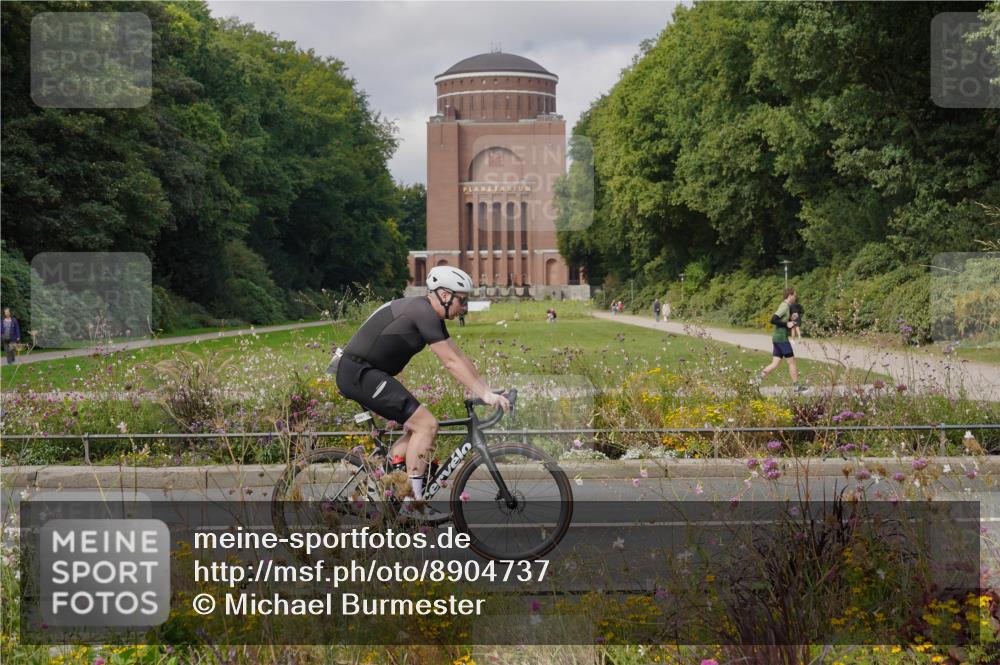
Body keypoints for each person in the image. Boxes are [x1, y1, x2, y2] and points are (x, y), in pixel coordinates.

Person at [329, 266, 510, 501]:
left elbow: (459, 356)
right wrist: (485, 395)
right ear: (445, 295)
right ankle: (413, 504)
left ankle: (383, 483)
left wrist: (486, 389)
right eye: (462, 301)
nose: (463, 308)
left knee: (420, 429)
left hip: (368, 373)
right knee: (427, 425)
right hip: (359, 373)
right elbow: (451, 362)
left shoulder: (428, 313)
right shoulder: (421, 312)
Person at [758, 288, 806, 393]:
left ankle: (756, 380)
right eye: (794, 295)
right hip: (781, 339)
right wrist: (786, 324)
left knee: (775, 363)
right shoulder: (784, 306)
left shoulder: (787, 307)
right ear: (789, 295)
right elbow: (773, 319)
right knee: (792, 362)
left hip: (777, 338)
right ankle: (797, 387)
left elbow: (784, 320)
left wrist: (791, 320)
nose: (795, 297)